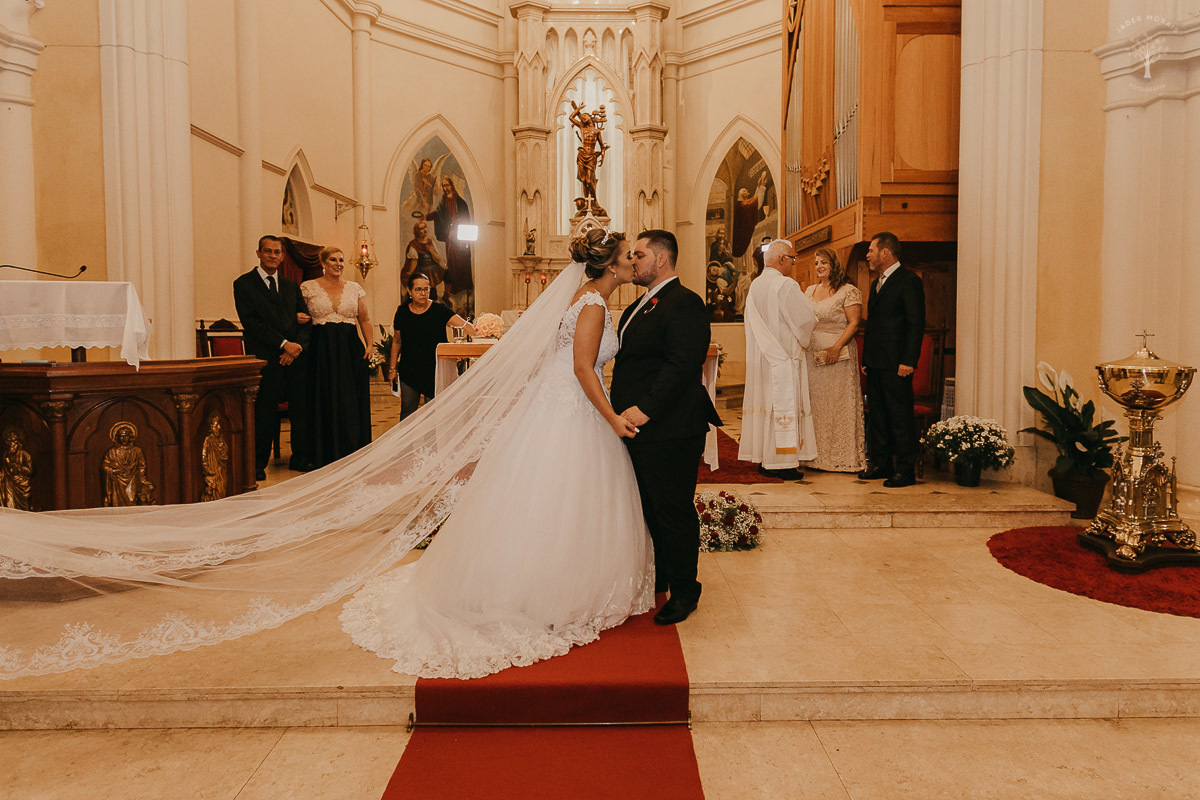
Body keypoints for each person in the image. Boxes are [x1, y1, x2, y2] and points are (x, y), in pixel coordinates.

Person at [340, 228, 654, 678]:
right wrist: (611, 418)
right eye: (628, 255)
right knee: (562, 497)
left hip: (560, 404)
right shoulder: (592, 305)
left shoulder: (585, 298)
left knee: (545, 498)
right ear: (609, 265)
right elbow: (583, 368)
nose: (633, 260)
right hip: (575, 408)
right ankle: (547, 592)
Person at [612, 229, 722, 626]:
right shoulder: (639, 305)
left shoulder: (685, 302)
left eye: (638, 254)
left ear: (660, 259)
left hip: (672, 426)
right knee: (649, 507)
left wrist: (645, 409)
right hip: (641, 427)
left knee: (672, 508)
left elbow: (681, 365)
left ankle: (686, 590)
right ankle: (660, 574)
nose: (632, 260)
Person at [233, 235, 314, 480]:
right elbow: (253, 323)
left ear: (282, 256)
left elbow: (306, 320)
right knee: (264, 411)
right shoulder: (244, 284)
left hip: (295, 359)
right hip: (266, 358)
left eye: (277, 252)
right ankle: (257, 464)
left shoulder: (291, 286)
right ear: (258, 253)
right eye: (267, 251)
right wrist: (284, 344)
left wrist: (297, 345)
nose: (272, 256)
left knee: (301, 408)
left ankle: (300, 457)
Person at [738, 239, 818, 480]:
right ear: (782, 259)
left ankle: (765, 458)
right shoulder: (784, 285)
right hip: (783, 359)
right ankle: (781, 464)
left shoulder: (756, 286)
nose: (793, 264)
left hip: (763, 359)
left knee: (766, 409)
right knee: (782, 409)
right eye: (792, 259)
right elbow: (805, 320)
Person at [859, 232, 925, 488]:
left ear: (885, 252)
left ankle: (905, 470)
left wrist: (908, 360)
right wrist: (867, 357)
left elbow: (915, 322)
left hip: (898, 362)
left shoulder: (908, 280)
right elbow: (874, 326)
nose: (868, 255)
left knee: (899, 416)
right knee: (878, 416)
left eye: (871, 250)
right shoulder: (877, 283)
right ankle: (882, 464)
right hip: (876, 361)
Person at [300, 247, 374, 467]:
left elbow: (365, 319)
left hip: (350, 347)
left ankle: (353, 448)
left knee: (350, 397)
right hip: (320, 349)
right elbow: (297, 316)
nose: (338, 263)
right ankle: (323, 450)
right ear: (323, 262)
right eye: (333, 259)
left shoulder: (354, 288)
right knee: (322, 395)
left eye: (341, 260)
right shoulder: (308, 287)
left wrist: (370, 345)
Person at [801, 248, 866, 473]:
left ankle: (840, 456)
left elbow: (854, 323)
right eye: (817, 262)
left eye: (824, 263)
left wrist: (836, 348)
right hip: (812, 355)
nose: (819, 266)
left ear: (834, 265)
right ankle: (813, 456)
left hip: (838, 354)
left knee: (837, 405)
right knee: (816, 404)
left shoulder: (848, 291)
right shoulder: (809, 290)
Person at [387, 273, 475, 420]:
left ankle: (433, 444)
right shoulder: (402, 312)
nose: (423, 293)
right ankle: (408, 444)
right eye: (418, 289)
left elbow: (465, 326)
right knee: (408, 410)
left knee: (434, 412)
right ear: (409, 291)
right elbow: (397, 342)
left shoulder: (439, 310)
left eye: (426, 289)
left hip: (435, 368)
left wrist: (486, 331)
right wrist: (392, 369)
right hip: (410, 368)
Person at [429, 176, 474, 317]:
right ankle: (452, 288)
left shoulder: (460, 203)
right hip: (450, 238)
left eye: (448, 185)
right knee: (451, 262)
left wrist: (457, 229)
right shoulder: (443, 201)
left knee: (460, 261)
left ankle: (461, 285)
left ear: (452, 185)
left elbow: (465, 218)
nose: (446, 188)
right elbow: (438, 214)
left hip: (459, 239)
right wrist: (427, 216)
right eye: (444, 185)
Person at [400, 219, 444, 302]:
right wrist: (409, 273)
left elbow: (438, 259)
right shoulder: (414, 245)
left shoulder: (431, 243)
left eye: (425, 227)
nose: (424, 230)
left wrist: (431, 251)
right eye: (421, 229)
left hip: (432, 272)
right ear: (417, 231)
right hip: (421, 272)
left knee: (432, 295)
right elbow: (414, 261)